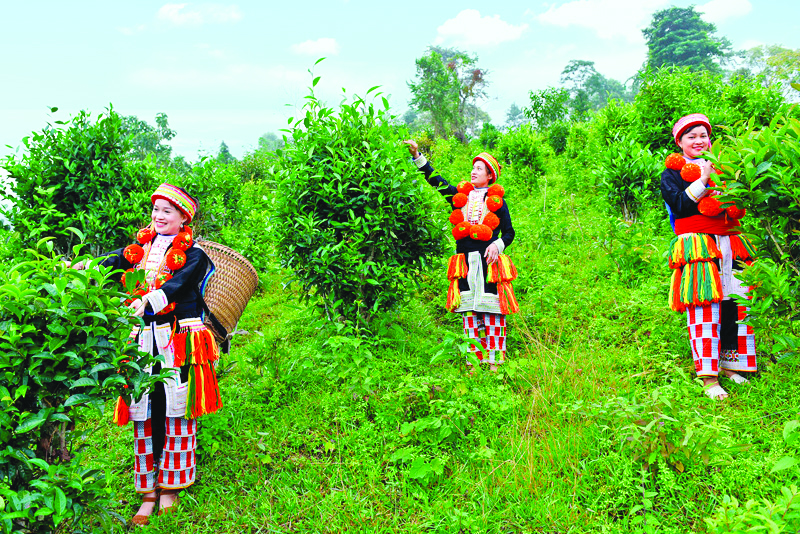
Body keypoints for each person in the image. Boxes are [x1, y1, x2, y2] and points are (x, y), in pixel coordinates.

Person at [74, 183, 222, 525]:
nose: (158, 217)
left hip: (178, 338)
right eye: (156, 211)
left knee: (174, 409)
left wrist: (150, 299)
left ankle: (171, 488)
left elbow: (181, 284)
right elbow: (114, 260)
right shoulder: (142, 247)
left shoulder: (195, 254)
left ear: (183, 218)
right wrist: (87, 267)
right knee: (144, 409)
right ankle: (148, 491)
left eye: (167, 212)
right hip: (142, 338)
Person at [660, 114, 757, 400]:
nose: (699, 141)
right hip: (698, 246)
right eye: (692, 136)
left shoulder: (725, 167)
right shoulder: (672, 173)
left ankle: (730, 366)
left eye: (703, 135)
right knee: (704, 308)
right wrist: (702, 179)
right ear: (680, 142)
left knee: (733, 305)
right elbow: (679, 205)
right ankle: (708, 378)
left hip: (732, 243)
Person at [404, 140, 518, 371]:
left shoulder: (498, 203)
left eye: (479, 168)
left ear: (489, 176)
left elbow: (509, 232)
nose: (473, 171)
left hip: (488, 264)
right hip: (465, 264)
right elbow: (437, 181)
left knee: (493, 314)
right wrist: (417, 156)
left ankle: (495, 367)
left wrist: (497, 245)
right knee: (470, 315)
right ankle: (473, 366)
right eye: (473, 167)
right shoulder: (461, 197)